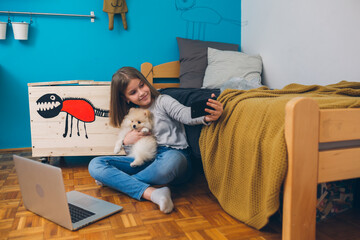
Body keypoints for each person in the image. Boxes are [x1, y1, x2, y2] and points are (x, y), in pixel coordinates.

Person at [88, 66, 223, 213]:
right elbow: (133, 155)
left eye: (142, 85)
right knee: (95, 164)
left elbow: (185, 114)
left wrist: (206, 116)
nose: (142, 93)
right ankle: (153, 193)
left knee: (172, 161)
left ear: (146, 82)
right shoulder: (132, 114)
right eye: (133, 92)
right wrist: (127, 142)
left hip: (175, 155)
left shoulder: (162, 101)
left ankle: (117, 182)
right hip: (146, 160)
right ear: (125, 98)